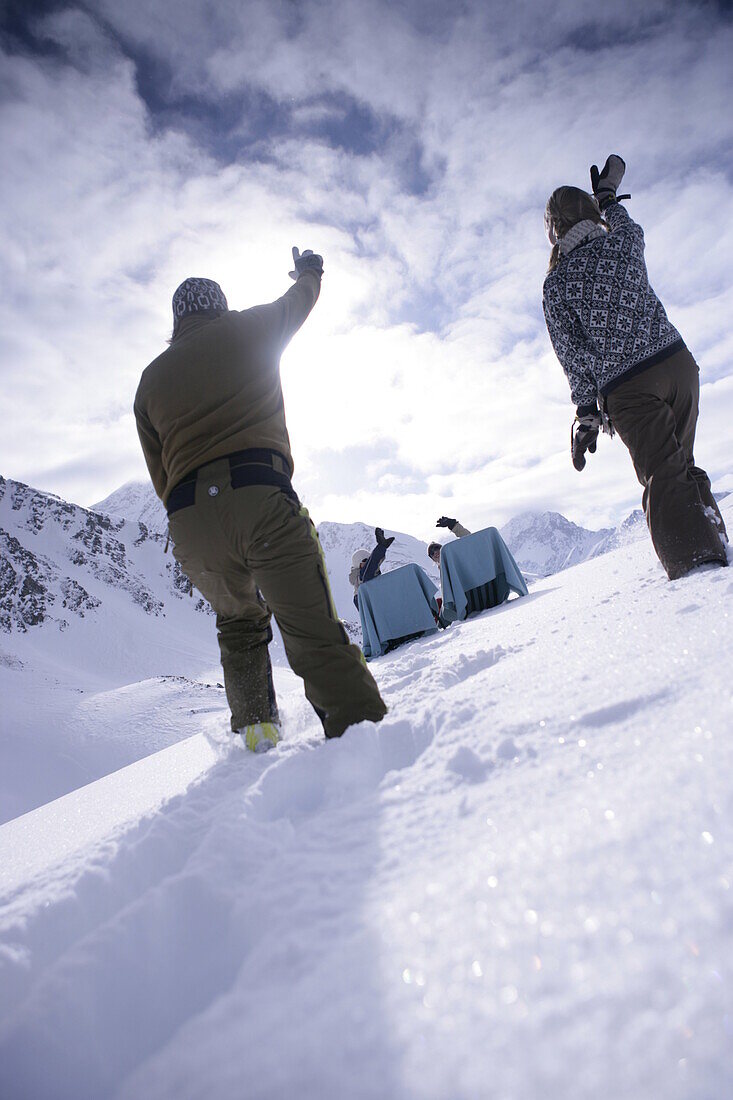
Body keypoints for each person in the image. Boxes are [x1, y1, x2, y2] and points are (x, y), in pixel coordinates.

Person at [134, 251, 387, 752]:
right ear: (220, 307)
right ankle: (363, 742)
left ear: (176, 319)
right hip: (260, 499)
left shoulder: (150, 380)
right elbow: (301, 300)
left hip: (191, 525)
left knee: (239, 623)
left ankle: (257, 737)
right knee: (311, 629)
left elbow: (159, 472)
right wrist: (311, 270)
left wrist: (200, 513)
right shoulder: (251, 328)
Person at [542, 155, 727, 580]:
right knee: (682, 464)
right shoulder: (623, 242)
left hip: (630, 386)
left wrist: (586, 415)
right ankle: (715, 546)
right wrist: (607, 197)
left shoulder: (557, 283)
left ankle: (699, 574)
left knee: (664, 475)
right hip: (678, 365)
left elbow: (572, 357)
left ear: (553, 232)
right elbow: (626, 223)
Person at [350, 528, 395, 607]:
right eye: (364, 561)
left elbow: (374, 563)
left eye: (368, 560)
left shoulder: (369, 573)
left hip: (371, 598)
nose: (367, 563)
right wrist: (381, 547)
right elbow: (372, 564)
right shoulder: (362, 575)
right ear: (358, 564)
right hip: (363, 599)